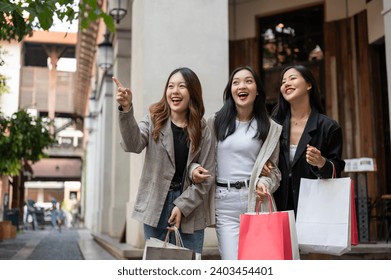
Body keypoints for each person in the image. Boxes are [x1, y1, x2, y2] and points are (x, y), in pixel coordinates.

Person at [112, 67, 215, 258]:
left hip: (190, 206)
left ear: (192, 92)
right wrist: (126, 109)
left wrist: (182, 206)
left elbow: (208, 177)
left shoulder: (203, 130)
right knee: (157, 265)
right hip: (155, 204)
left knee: (188, 266)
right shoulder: (154, 119)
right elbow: (133, 144)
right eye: (170, 86)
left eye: (182, 86)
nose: (174, 91)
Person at [191, 66, 282, 260]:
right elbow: (198, 159)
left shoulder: (270, 127)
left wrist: (264, 183)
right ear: (230, 91)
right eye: (236, 82)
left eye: (249, 81)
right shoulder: (215, 122)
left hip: (257, 202)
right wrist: (194, 170)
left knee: (258, 263)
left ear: (257, 90)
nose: (242, 85)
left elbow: (274, 172)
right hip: (225, 202)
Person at [270, 64, 345, 215]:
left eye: (292, 78)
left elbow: (336, 168)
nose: (286, 84)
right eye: (283, 81)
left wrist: (321, 162)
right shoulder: (274, 125)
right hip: (279, 205)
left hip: (315, 207)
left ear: (309, 85)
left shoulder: (329, 127)